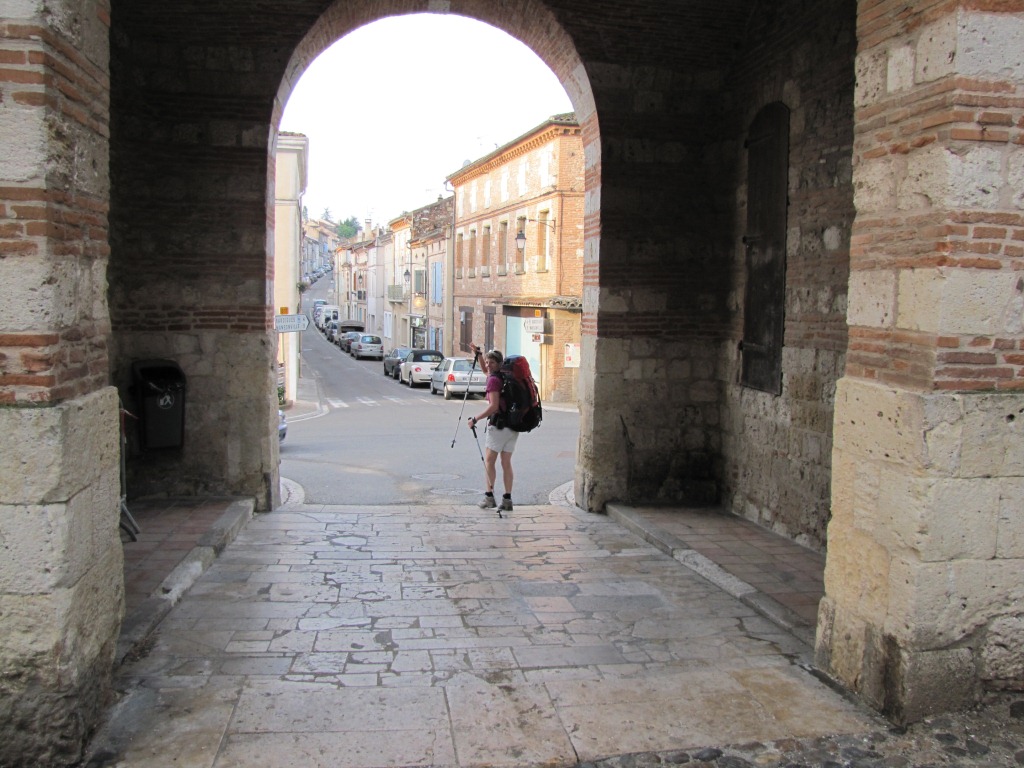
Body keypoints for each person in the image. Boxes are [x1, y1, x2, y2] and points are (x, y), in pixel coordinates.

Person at [467, 346, 516, 512]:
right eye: (487, 362)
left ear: (499, 364)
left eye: (491, 363)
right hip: (513, 426)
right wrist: (480, 356)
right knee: (506, 462)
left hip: (499, 425)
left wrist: (475, 419)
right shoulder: (504, 376)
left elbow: (494, 406)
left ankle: (489, 497)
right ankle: (507, 499)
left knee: (489, 461)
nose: (488, 365)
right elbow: (485, 370)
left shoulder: (494, 380)